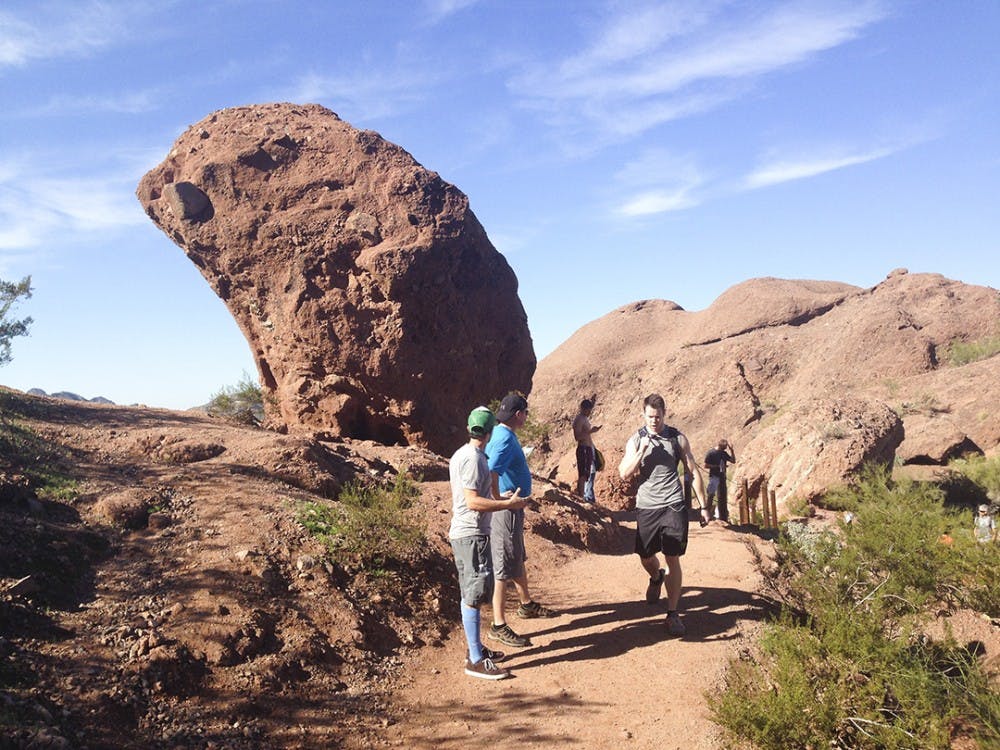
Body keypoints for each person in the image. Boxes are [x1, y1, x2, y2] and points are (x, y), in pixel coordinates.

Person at [619, 393, 710, 636]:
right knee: (646, 556)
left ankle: (672, 613)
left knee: (673, 556)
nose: (654, 421)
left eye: (657, 417)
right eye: (650, 417)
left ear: (664, 415)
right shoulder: (636, 440)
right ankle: (655, 577)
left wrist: (703, 505)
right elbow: (624, 473)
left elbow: (693, 470)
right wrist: (641, 452)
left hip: (673, 504)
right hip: (647, 505)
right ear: (643, 415)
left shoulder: (677, 438)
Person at [448, 406, 527, 679]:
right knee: (473, 593)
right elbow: (472, 502)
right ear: (491, 430)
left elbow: (479, 493)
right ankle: (475, 660)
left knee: (475, 591)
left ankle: (476, 647)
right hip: (471, 533)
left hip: (471, 533)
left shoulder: (466, 454)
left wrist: (499, 496)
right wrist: (506, 504)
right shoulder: (472, 458)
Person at [486, 392, 557, 648]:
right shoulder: (504, 439)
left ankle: (526, 605)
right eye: (525, 413)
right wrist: (499, 500)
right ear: (519, 414)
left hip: (512, 509)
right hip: (506, 510)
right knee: (504, 565)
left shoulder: (501, 433)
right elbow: (492, 470)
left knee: (516, 557)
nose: (526, 416)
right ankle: (498, 625)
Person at [572, 398, 602, 503]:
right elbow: (577, 436)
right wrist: (590, 431)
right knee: (583, 473)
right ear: (583, 409)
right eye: (588, 410)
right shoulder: (579, 419)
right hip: (583, 448)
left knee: (588, 472)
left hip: (588, 448)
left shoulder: (584, 418)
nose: (589, 412)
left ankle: (585, 495)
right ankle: (582, 496)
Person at [703, 439, 737, 522]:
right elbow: (706, 465)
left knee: (722, 496)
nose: (725, 449)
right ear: (720, 446)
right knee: (711, 494)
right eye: (724, 448)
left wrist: (732, 450)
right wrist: (717, 466)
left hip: (722, 476)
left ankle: (723, 517)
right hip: (714, 476)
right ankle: (708, 513)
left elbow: (733, 461)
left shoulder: (723, 453)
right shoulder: (711, 453)